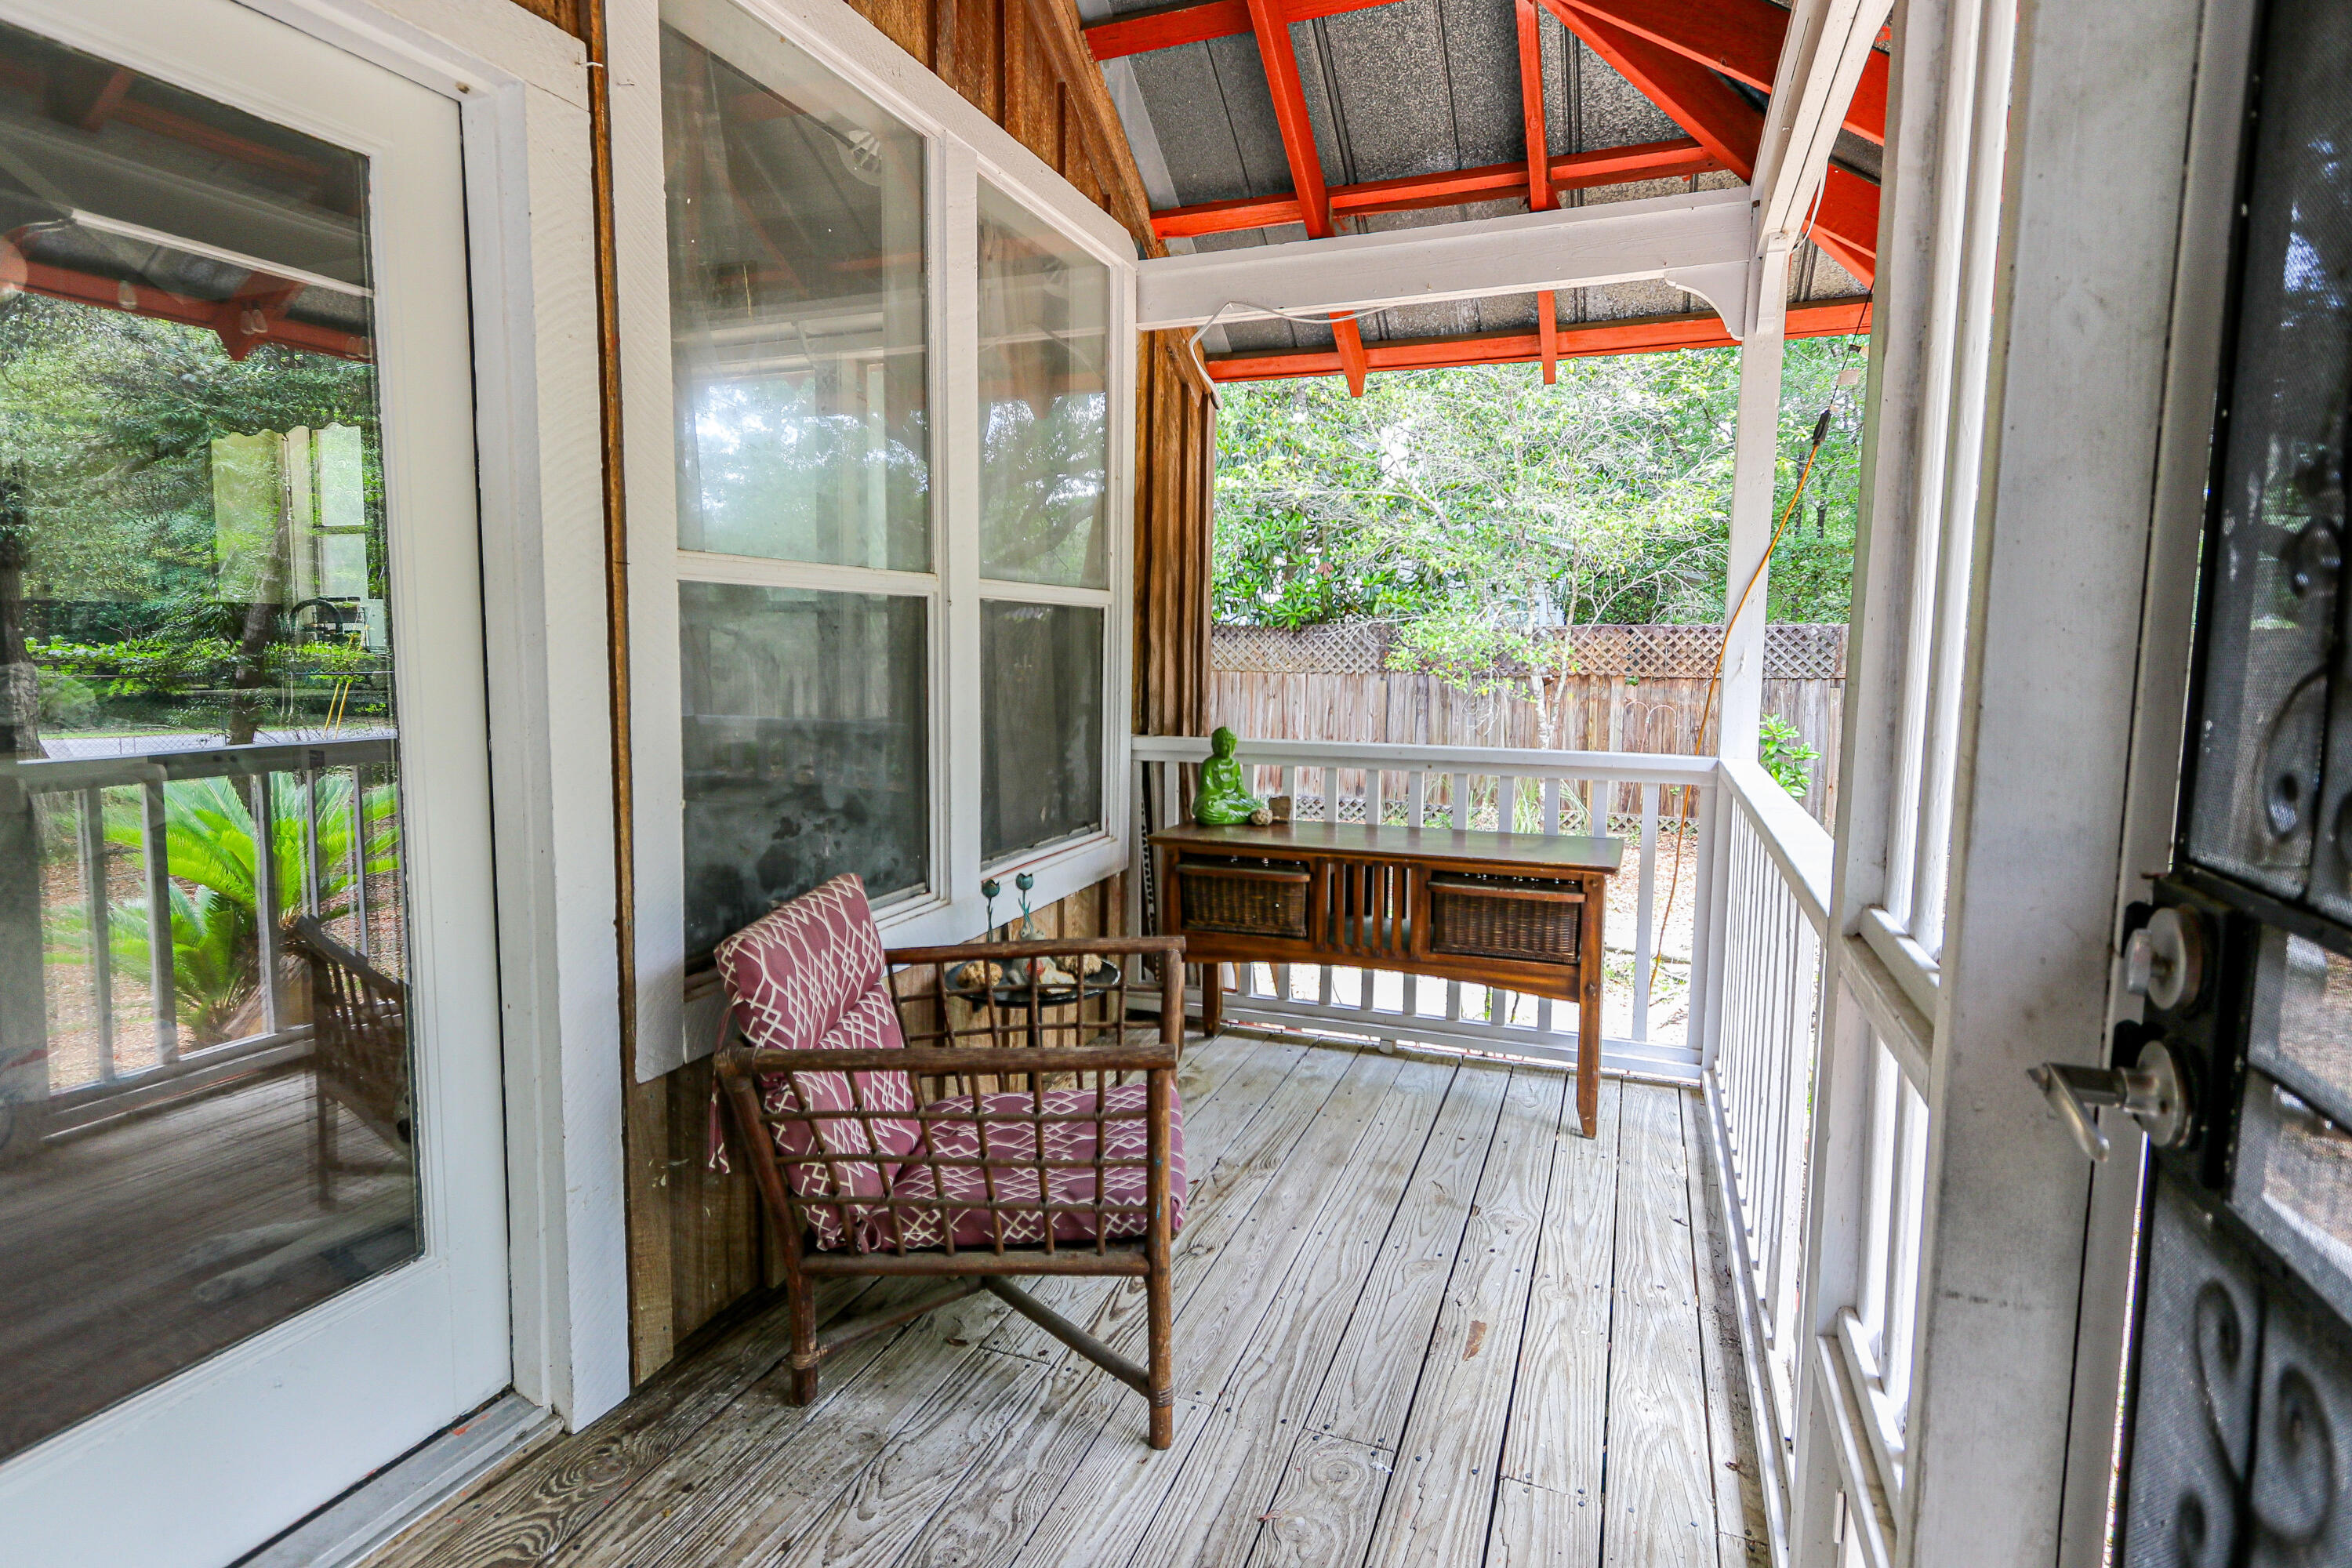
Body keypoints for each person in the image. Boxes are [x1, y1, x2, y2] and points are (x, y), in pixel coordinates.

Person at [1192, 726, 1268, 826]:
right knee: (1207, 808)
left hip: (1233, 800)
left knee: (1258, 805)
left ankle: (1233, 816)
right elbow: (1206, 790)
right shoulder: (1209, 764)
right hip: (1217, 800)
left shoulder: (1235, 764)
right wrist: (1222, 795)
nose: (1229, 749)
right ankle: (1244, 816)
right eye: (1226, 746)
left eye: (1232, 746)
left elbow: (1240, 790)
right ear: (1216, 746)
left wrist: (1240, 797)